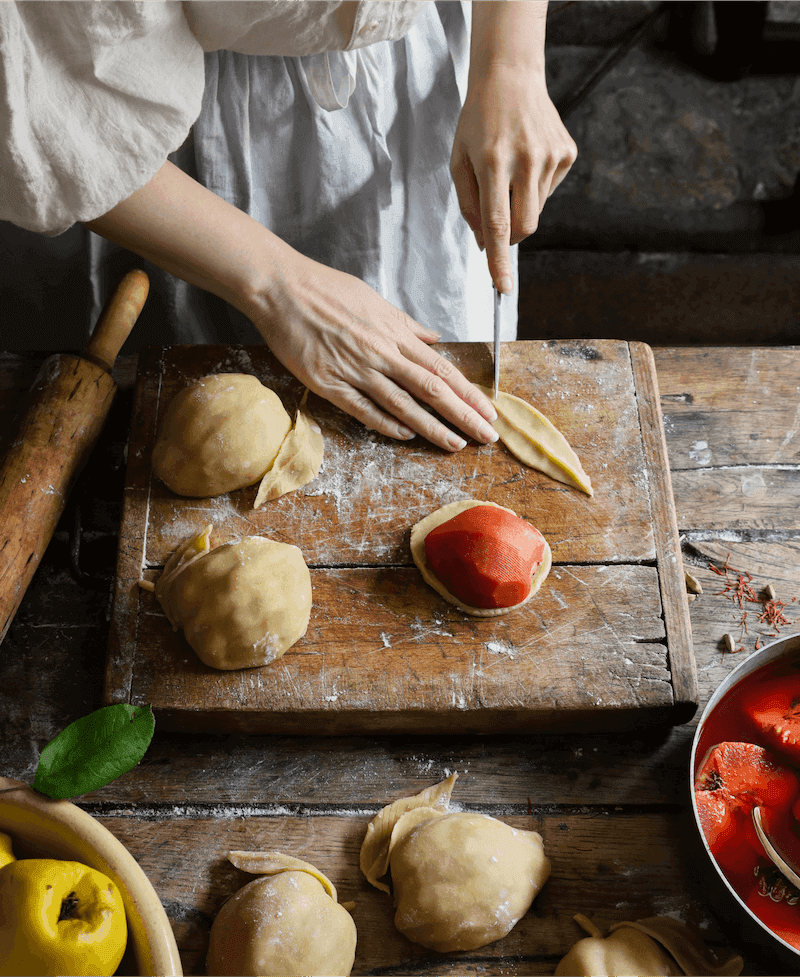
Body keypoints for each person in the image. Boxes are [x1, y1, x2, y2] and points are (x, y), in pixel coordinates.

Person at [0, 0, 576, 452]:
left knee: (441, 393)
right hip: (164, 131)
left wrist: (510, 61)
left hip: (437, 77)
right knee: (199, 423)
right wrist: (278, 287)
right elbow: (46, 97)